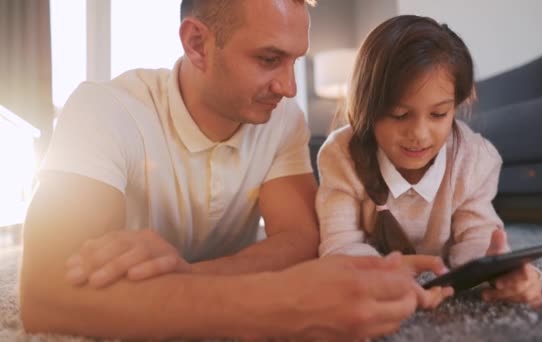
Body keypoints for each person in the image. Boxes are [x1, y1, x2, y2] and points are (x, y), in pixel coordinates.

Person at [19, 1, 451, 341]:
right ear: (196, 43)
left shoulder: (283, 121)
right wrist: (278, 304)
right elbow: (44, 292)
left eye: (294, 61)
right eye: (268, 59)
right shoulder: (103, 109)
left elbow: (300, 239)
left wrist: (183, 277)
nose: (289, 88)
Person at [315, 15, 542, 307]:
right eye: (399, 114)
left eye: (438, 115)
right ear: (366, 107)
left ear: (456, 106)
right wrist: (384, 277)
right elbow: (340, 244)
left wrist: (500, 269)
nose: (419, 135)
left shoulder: (475, 159)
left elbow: (476, 240)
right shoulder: (341, 154)